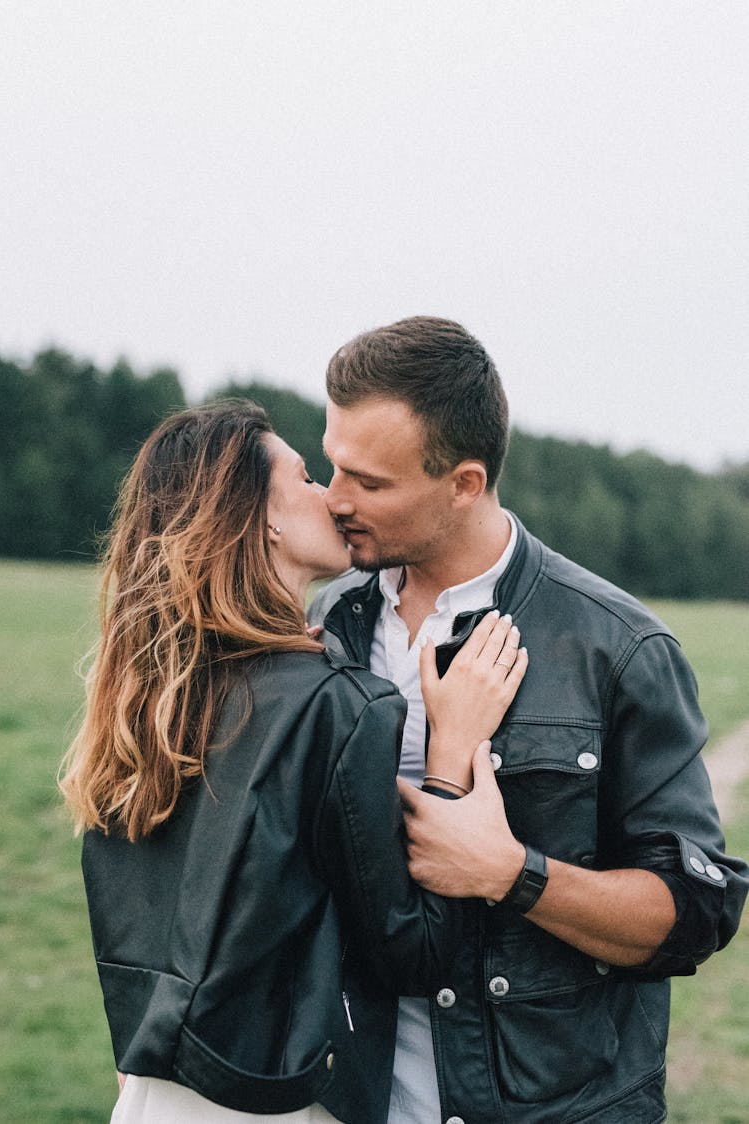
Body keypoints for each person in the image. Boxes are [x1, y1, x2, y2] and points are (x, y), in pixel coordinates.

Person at [309, 315, 749, 1124]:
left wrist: (513, 874)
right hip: (356, 1101)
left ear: (465, 483)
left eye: (369, 483)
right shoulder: (328, 626)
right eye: (333, 465)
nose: (334, 500)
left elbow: (694, 913)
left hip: (554, 1108)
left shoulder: (618, 647)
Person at [60, 399, 529, 1124]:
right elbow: (415, 952)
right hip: (270, 1101)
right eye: (308, 478)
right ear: (264, 518)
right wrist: (452, 748)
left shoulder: (153, 691)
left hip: (153, 1090)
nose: (333, 497)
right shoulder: (337, 705)